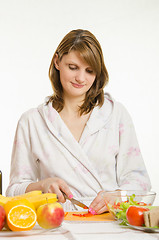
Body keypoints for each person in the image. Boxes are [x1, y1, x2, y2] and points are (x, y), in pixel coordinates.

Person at [6, 29, 151, 215]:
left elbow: (140, 182)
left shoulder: (116, 115)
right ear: (57, 61)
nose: (81, 78)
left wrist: (118, 195)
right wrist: (42, 185)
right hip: (55, 224)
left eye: (89, 71)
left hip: (108, 223)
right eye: (73, 67)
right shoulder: (32, 121)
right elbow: (13, 191)